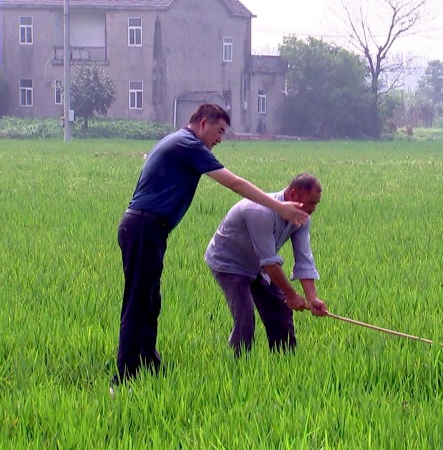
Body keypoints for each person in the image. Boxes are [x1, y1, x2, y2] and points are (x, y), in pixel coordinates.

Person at [113, 103, 309, 390]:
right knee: (138, 303)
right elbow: (235, 184)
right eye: (219, 131)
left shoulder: (181, 142)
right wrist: (279, 207)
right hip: (143, 227)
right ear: (203, 123)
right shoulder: (188, 144)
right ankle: (123, 379)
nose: (220, 139)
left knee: (150, 301)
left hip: (149, 230)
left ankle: (149, 366)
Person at [204, 173, 328, 357]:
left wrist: (312, 298)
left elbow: (304, 259)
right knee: (245, 315)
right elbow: (269, 261)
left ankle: (285, 361)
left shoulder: (301, 219)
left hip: (257, 265)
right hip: (229, 263)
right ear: (293, 195)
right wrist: (291, 295)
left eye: (316, 204)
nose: (313, 209)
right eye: (311, 203)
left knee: (280, 309)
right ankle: (238, 363)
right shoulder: (261, 211)